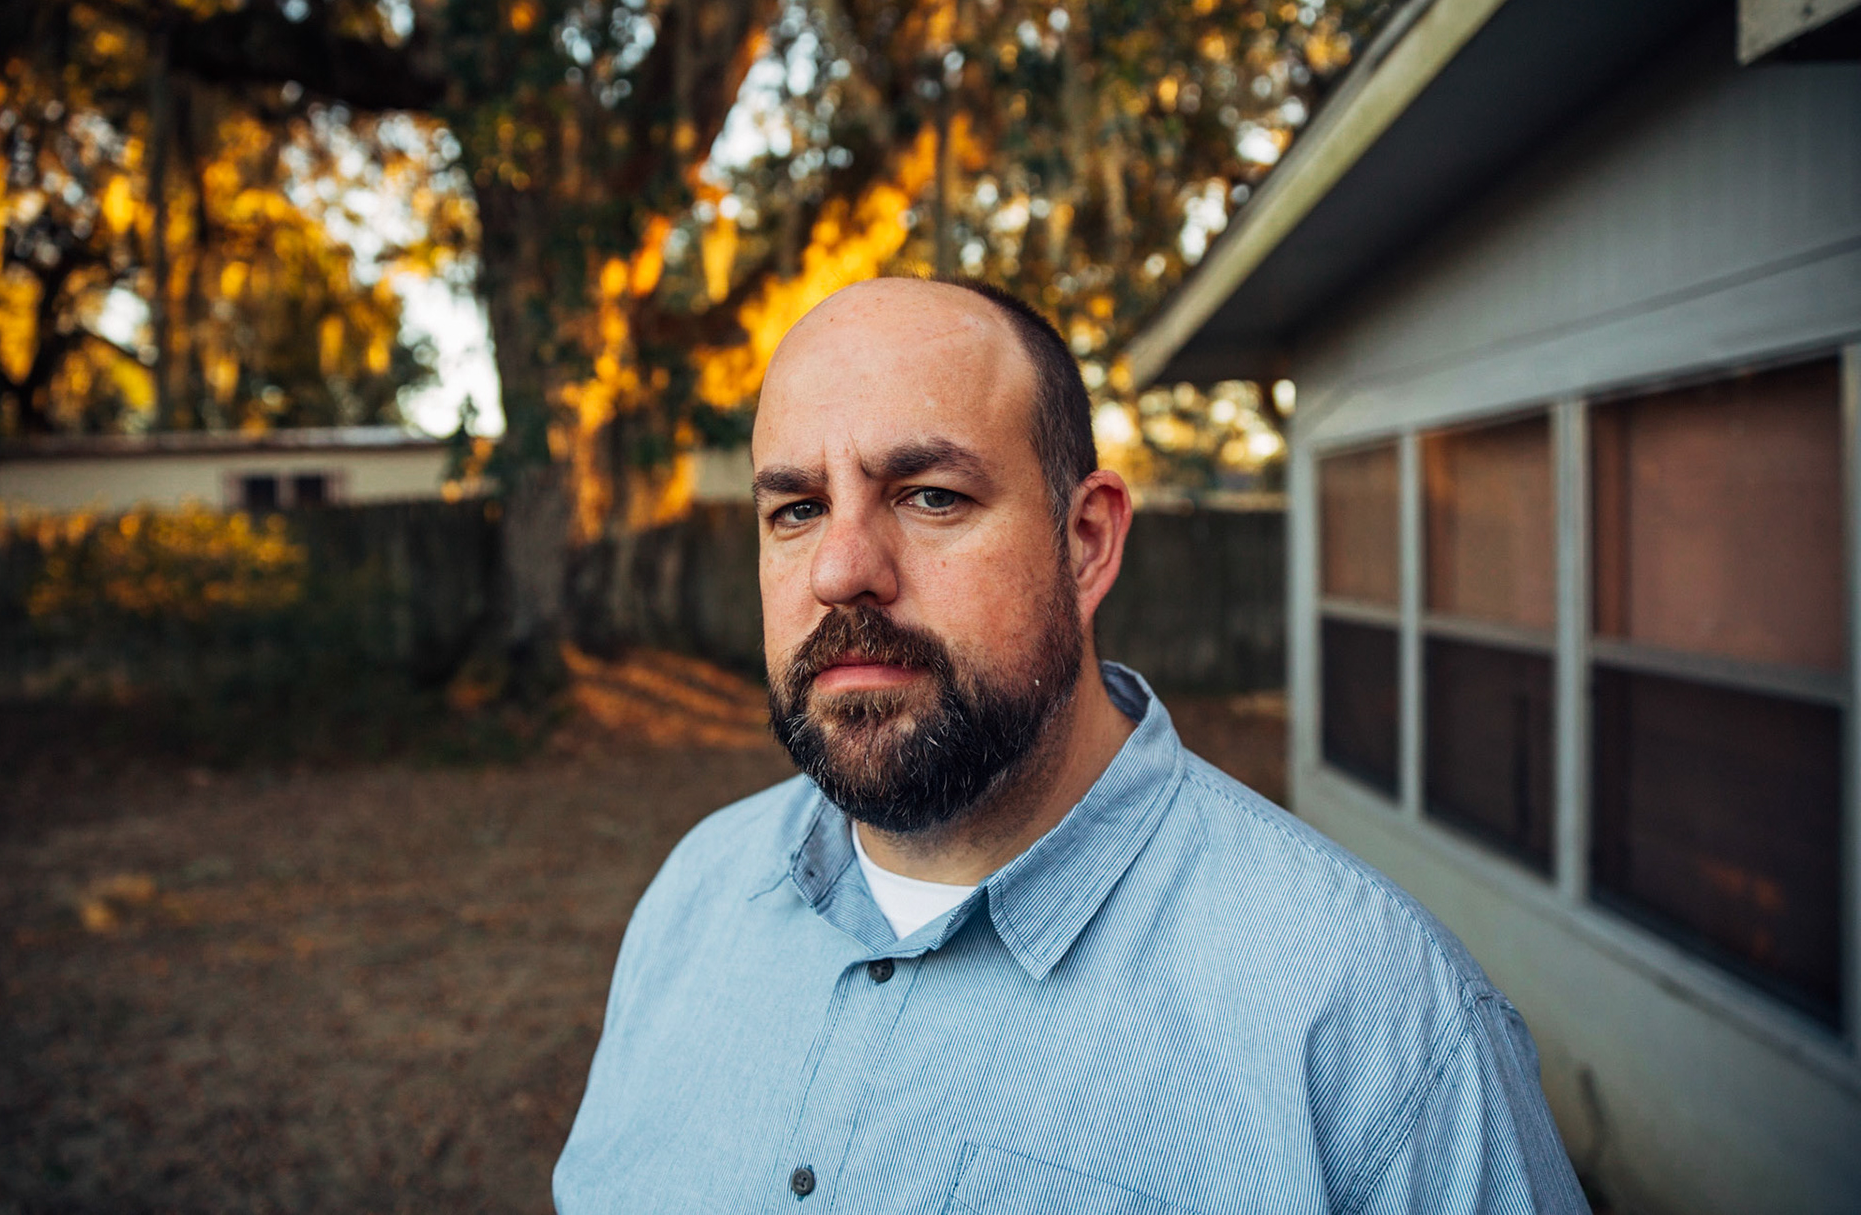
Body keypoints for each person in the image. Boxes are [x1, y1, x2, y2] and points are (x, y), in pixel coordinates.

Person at [553, 277, 1588, 1214]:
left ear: (1086, 541)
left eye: (931, 496)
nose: (841, 567)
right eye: (798, 507)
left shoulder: (1377, 1022)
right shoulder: (693, 899)